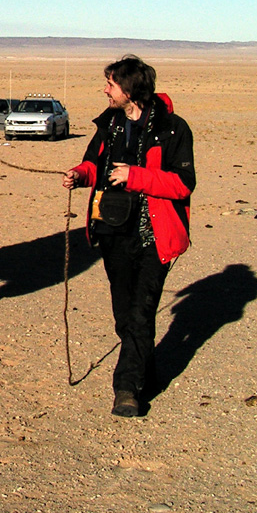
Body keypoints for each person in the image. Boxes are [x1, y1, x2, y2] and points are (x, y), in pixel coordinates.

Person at [63, 55, 195, 417]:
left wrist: (136, 176)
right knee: (124, 313)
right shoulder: (110, 124)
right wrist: (80, 174)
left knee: (141, 312)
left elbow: (183, 184)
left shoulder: (173, 128)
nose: (104, 90)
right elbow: (94, 163)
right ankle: (145, 373)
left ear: (130, 90)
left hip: (155, 235)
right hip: (112, 232)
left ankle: (126, 389)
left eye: (110, 84)